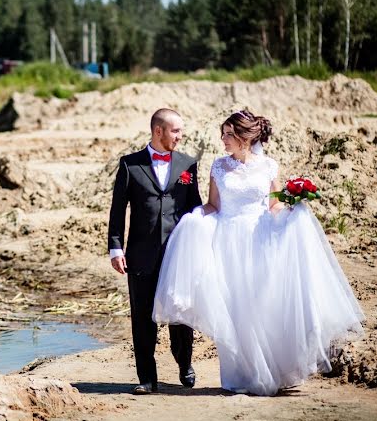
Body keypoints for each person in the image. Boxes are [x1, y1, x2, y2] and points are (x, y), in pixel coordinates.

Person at [153, 110, 365, 396]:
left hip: (259, 239)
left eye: (228, 134)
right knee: (237, 310)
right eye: (223, 134)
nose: (223, 139)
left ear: (244, 138)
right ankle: (240, 375)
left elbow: (273, 205)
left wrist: (292, 210)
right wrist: (194, 217)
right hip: (228, 243)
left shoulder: (268, 166)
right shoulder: (218, 166)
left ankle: (272, 372)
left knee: (261, 307)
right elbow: (214, 205)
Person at [108, 108, 203, 394]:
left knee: (180, 313)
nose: (181, 136)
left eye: (181, 131)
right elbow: (117, 209)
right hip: (140, 252)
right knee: (142, 316)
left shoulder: (188, 164)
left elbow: (194, 205)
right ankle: (147, 379)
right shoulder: (130, 164)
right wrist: (115, 247)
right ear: (158, 131)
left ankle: (184, 364)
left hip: (177, 252)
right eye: (176, 131)